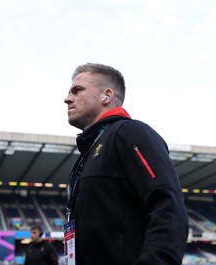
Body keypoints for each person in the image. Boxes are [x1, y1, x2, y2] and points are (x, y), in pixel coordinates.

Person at [63, 63, 189, 265]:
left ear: (107, 95)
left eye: (77, 90)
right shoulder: (90, 152)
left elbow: (167, 204)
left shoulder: (130, 133)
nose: (67, 98)